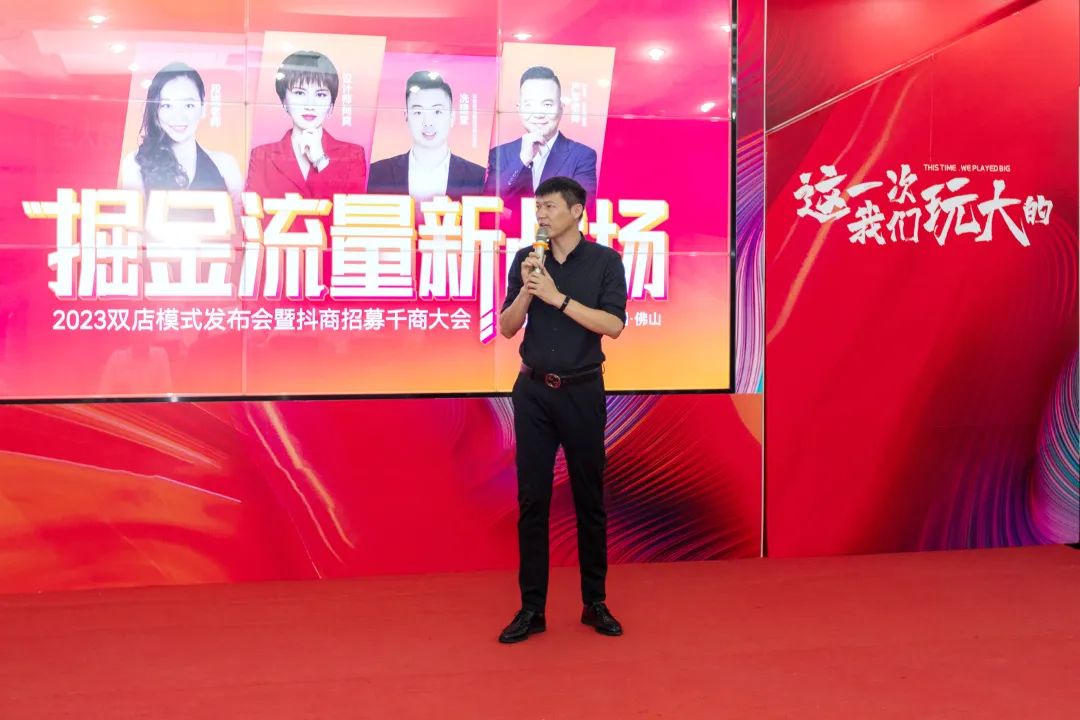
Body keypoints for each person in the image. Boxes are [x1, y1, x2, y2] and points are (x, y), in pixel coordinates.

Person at [496, 176, 627, 644]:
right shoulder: (527, 259)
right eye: (538, 208)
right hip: (533, 393)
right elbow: (507, 327)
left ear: (576, 211)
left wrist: (558, 298)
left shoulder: (605, 262)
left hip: (582, 392)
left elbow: (613, 325)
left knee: (589, 499)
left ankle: (595, 602)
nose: (541, 215)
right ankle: (532, 608)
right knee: (532, 501)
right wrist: (529, 291)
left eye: (549, 207)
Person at [245, 51, 366, 199]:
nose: (310, 104)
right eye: (299, 93)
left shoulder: (353, 156)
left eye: (320, 94)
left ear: (331, 105)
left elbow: (350, 210)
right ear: (284, 101)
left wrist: (321, 161)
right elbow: (252, 210)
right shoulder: (262, 156)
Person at [120, 63, 243, 196]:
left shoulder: (225, 164)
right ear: (155, 112)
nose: (178, 117)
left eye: (188, 105)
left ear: (203, 108)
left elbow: (239, 209)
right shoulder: (135, 163)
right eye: (167, 105)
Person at [484, 66, 597, 203]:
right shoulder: (499, 154)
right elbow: (487, 203)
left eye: (547, 104)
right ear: (519, 109)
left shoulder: (582, 156)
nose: (538, 114)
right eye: (529, 105)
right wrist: (522, 160)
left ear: (561, 108)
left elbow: (583, 206)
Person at [367, 71, 485, 201]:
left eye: (437, 112)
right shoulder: (377, 173)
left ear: (452, 117)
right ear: (406, 116)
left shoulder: (478, 177)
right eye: (418, 112)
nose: (428, 122)